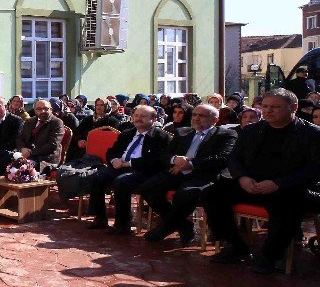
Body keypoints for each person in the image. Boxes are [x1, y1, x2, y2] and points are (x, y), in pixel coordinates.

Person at [203, 89, 320, 274]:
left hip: (288, 189)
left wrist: (278, 184)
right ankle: (235, 245)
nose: (268, 111)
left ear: (294, 108)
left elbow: (315, 169)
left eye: (274, 107)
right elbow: (234, 159)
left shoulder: (312, 134)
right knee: (212, 193)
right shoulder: (251, 130)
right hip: (251, 184)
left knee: (287, 205)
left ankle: (270, 256)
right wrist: (242, 177)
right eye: (265, 106)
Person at [141, 104, 237, 246]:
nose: (196, 118)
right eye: (194, 115)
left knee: (185, 194)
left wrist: (190, 163)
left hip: (204, 175)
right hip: (177, 171)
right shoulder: (182, 133)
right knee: (148, 188)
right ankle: (182, 225)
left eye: (202, 116)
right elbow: (165, 154)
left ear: (214, 120)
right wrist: (175, 160)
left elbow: (222, 158)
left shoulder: (225, 135)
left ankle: (165, 228)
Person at [86, 105, 171, 234]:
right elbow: (112, 152)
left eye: (143, 116)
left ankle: (122, 224)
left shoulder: (161, 137)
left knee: (121, 182)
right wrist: (114, 161)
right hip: (120, 166)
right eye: (136, 116)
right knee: (97, 177)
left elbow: (155, 161)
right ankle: (100, 218)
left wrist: (129, 164)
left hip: (143, 170)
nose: (138, 119)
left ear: (154, 119)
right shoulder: (127, 133)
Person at [16, 99, 65, 167]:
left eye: (45, 109)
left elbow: (52, 145)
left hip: (46, 158)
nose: (42, 111)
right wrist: (22, 148)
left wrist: (31, 152)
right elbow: (20, 138)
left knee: (24, 166)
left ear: (51, 109)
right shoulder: (29, 121)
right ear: (35, 111)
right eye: (39, 109)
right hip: (27, 155)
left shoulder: (57, 122)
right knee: (9, 162)